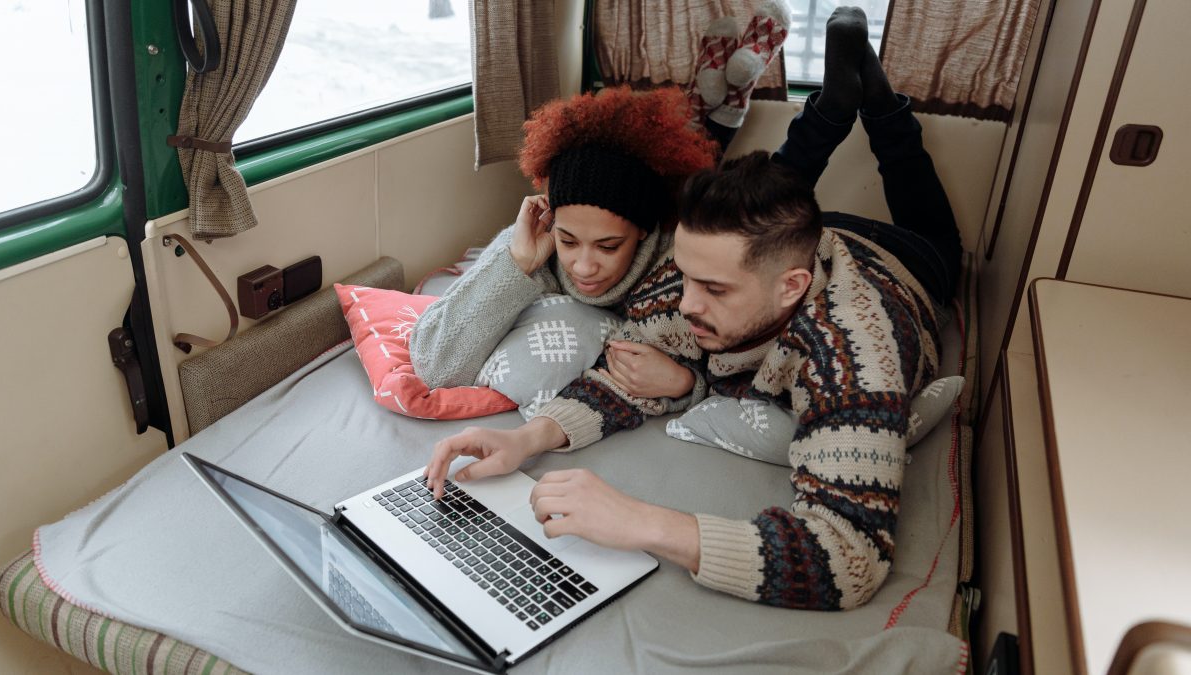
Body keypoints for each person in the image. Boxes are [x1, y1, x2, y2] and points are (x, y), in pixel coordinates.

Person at [422, 6, 963, 612]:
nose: (685, 306)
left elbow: (849, 557)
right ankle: (834, 107)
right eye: (684, 278)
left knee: (936, 228)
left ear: (791, 289)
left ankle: (877, 105)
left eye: (715, 291)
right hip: (802, 238)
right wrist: (525, 439)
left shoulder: (854, 353)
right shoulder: (697, 278)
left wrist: (645, 523)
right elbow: (625, 378)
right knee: (767, 195)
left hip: (909, 263)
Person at [409, 86, 716, 396]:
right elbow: (434, 366)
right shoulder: (529, 247)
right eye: (568, 241)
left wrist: (685, 383)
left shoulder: (681, 266)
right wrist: (518, 263)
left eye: (608, 246)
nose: (583, 268)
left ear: (644, 229)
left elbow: (744, 372)